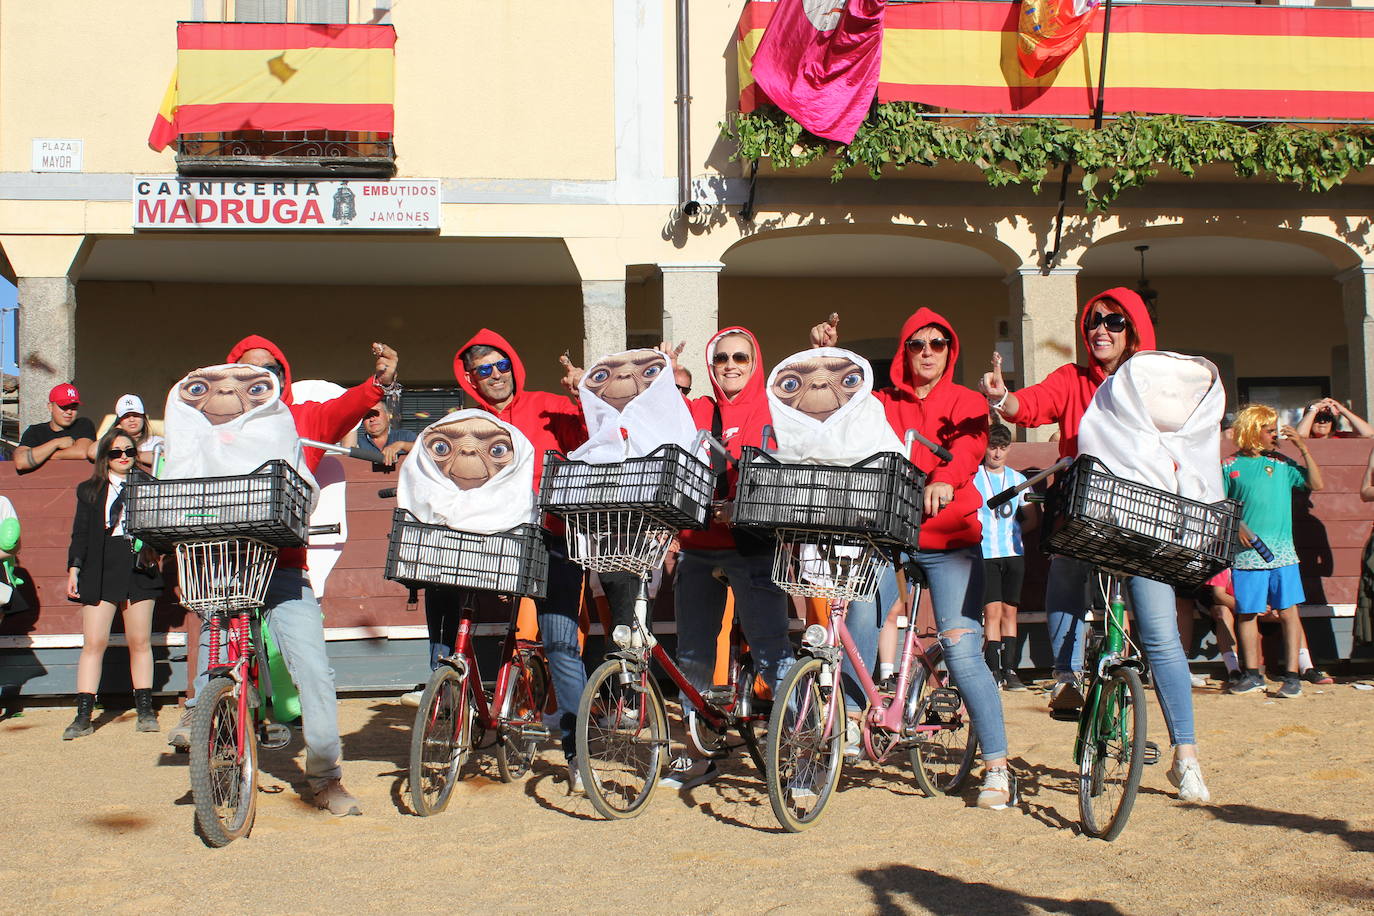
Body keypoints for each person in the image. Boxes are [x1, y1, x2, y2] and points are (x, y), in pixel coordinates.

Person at [168, 335, 399, 817]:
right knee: (217, 659)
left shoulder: (303, 420)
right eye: (245, 370)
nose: (257, 378)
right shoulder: (205, 425)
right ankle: (208, 729)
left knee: (313, 673)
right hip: (223, 562)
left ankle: (326, 775)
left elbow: (350, 404)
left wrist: (379, 382)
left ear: (282, 376)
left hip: (286, 569)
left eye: (268, 370)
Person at [811, 309, 1014, 811]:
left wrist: (947, 478)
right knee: (858, 614)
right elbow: (833, 410)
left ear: (950, 350)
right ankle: (856, 726)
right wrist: (827, 358)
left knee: (963, 652)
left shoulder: (966, 400)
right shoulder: (881, 402)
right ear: (904, 350)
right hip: (888, 532)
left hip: (950, 539)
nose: (927, 351)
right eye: (917, 343)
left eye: (938, 343)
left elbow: (971, 443)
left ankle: (997, 768)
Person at [978, 288, 1155, 711]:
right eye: (1093, 321)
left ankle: (1138, 662)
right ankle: (1065, 674)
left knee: (1144, 587)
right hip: (1082, 501)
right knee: (1066, 574)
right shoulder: (1072, 379)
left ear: (1133, 330)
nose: (1100, 330)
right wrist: (1003, 397)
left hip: (1139, 503)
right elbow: (1032, 404)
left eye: (1113, 321)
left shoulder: (1151, 381)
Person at [453, 329, 591, 793]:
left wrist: (584, 396)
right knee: (455, 617)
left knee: (559, 644)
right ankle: (452, 719)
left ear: (514, 364)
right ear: (471, 377)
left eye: (501, 365)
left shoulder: (548, 404)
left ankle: (577, 753)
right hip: (493, 541)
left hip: (554, 537)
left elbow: (595, 439)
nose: (495, 375)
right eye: (484, 370)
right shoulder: (465, 421)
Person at [659, 327, 795, 790]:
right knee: (693, 655)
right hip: (699, 548)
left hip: (753, 547)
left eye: (740, 357)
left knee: (773, 652)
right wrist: (657, 373)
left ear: (756, 362)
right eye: (721, 359)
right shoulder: (699, 410)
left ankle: (795, 755)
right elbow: (653, 422)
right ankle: (696, 755)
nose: (730, 365)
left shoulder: (775, 407)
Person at [61, 427, 165, 740]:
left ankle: (145, 711)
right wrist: (74, 569)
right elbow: (80, 533)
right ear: (105, 456)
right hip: (100, 563)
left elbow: (163, 528)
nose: (122, 457)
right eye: (116, 452)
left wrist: (153, 548)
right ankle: (83, 716)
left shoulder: (148, 485)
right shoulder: (89, 489)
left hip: (138, 562)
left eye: (129, 452)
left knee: (140, 640)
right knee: (94, 642)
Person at [1224, 405, 1325, 699]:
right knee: (1246, 613)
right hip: (1247, 554)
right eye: (1269, 429)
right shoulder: (1228, 465)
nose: (1275, 434)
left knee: (1289, 611)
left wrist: (1302, 448)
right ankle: (1252, 674)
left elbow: (1316, 484)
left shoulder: (1282, 463)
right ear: (1254, 431)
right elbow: (1219, 504)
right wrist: (1237, 525)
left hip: (1282, 554)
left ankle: (1292, 676)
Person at [971, 424, 1033, 691]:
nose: (997, 453)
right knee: (992, 611)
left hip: (1013, 554)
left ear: (1009, 448)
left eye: (1002, 448)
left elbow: (1031, 518)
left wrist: (1014, 535)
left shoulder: (1018, 479)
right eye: (992, 447)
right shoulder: (974, 477)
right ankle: (992, 668)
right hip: (986, 555)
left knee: (1010, 611)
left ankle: (1010, 669)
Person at [15, 384, 97, 473]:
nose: (69, 412)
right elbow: (21, 462)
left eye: (73, 407)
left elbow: (82, 452)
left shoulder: (83, 424)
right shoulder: (35, 431)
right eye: (64, 406)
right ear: (50, 407)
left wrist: (43, 455)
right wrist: (56, 443)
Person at [88, 394, 163, 471]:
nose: (132, 419)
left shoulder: (156, 441)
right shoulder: (113, 442)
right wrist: (113, 432)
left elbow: (165, 457)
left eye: (136, 415)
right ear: (119, 421)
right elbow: (92, 453)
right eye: (126, 416)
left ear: (143, 418)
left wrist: (131, 453)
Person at [342, 402, 416, 466]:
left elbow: (423, 450)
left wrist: (401, 445)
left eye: (376, 414)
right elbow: (347, 459)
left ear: (387, 416)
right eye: (367, 416)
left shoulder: (406, 436)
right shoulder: (358, 444)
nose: (372, 419)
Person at [1296, 397, 1372, 439]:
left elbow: (1369, 434)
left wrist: (1342, 410)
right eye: (1317, 417)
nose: (1322, 421)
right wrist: (1313, 410)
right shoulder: (1306, 438)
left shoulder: (1339, 436)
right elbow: (1300, 435)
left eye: (1327, 417)